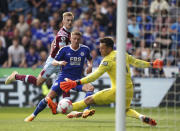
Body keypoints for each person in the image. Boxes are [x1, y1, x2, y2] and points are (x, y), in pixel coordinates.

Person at [60, 37, 163, 126]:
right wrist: (152, 64)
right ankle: (141, 117)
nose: (100, 50)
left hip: (117, 91)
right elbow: (136, 62)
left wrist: (76, 82)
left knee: (88, 100)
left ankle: (67, 108)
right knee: (125, 110)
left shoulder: (107, 61)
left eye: (102, 48)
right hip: (129, 89)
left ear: (109, 48)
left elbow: (94, 76)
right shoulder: (123, 54)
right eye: (99, 48)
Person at [24, 31, 94, 122]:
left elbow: (90, 59)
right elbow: (54, 61)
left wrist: (90, 66)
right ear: (70, 39)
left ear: (80, 39)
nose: (76, 41)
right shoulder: (64, 50)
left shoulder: (85, 49)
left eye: (78, 39)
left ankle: (86, 111)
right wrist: (59, 62)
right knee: (48, 98)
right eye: (74, 39)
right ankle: (33, 115)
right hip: (63, 78)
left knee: (90, 88)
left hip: (76, 79)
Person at [5, 12, 74, 87]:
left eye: (71, 20)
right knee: (38, 82)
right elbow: (63, 51)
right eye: (68, 20)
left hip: (60, 63)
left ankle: (65, 98)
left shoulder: (67, 33)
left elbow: (53, 44)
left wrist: (53, 52)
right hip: (54, 63)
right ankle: (16, 76)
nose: (70, 22)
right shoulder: (63, 35)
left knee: (65, 83)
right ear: (63, 22)